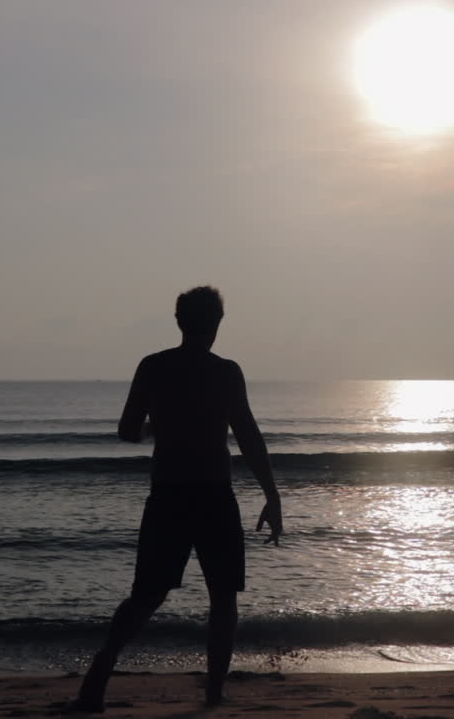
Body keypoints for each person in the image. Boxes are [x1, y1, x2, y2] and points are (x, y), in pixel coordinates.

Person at [69, 286, 282, 711]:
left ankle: (102, 668)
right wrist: (271, 495)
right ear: (216, 325)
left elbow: (128, 430)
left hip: (167, 494)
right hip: (214, 497)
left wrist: (161, 427)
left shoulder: (153, 366)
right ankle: (214, 692)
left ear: (179, 322)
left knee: (147, 594)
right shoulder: (226, 372)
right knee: (222, 598)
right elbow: (248, 436)